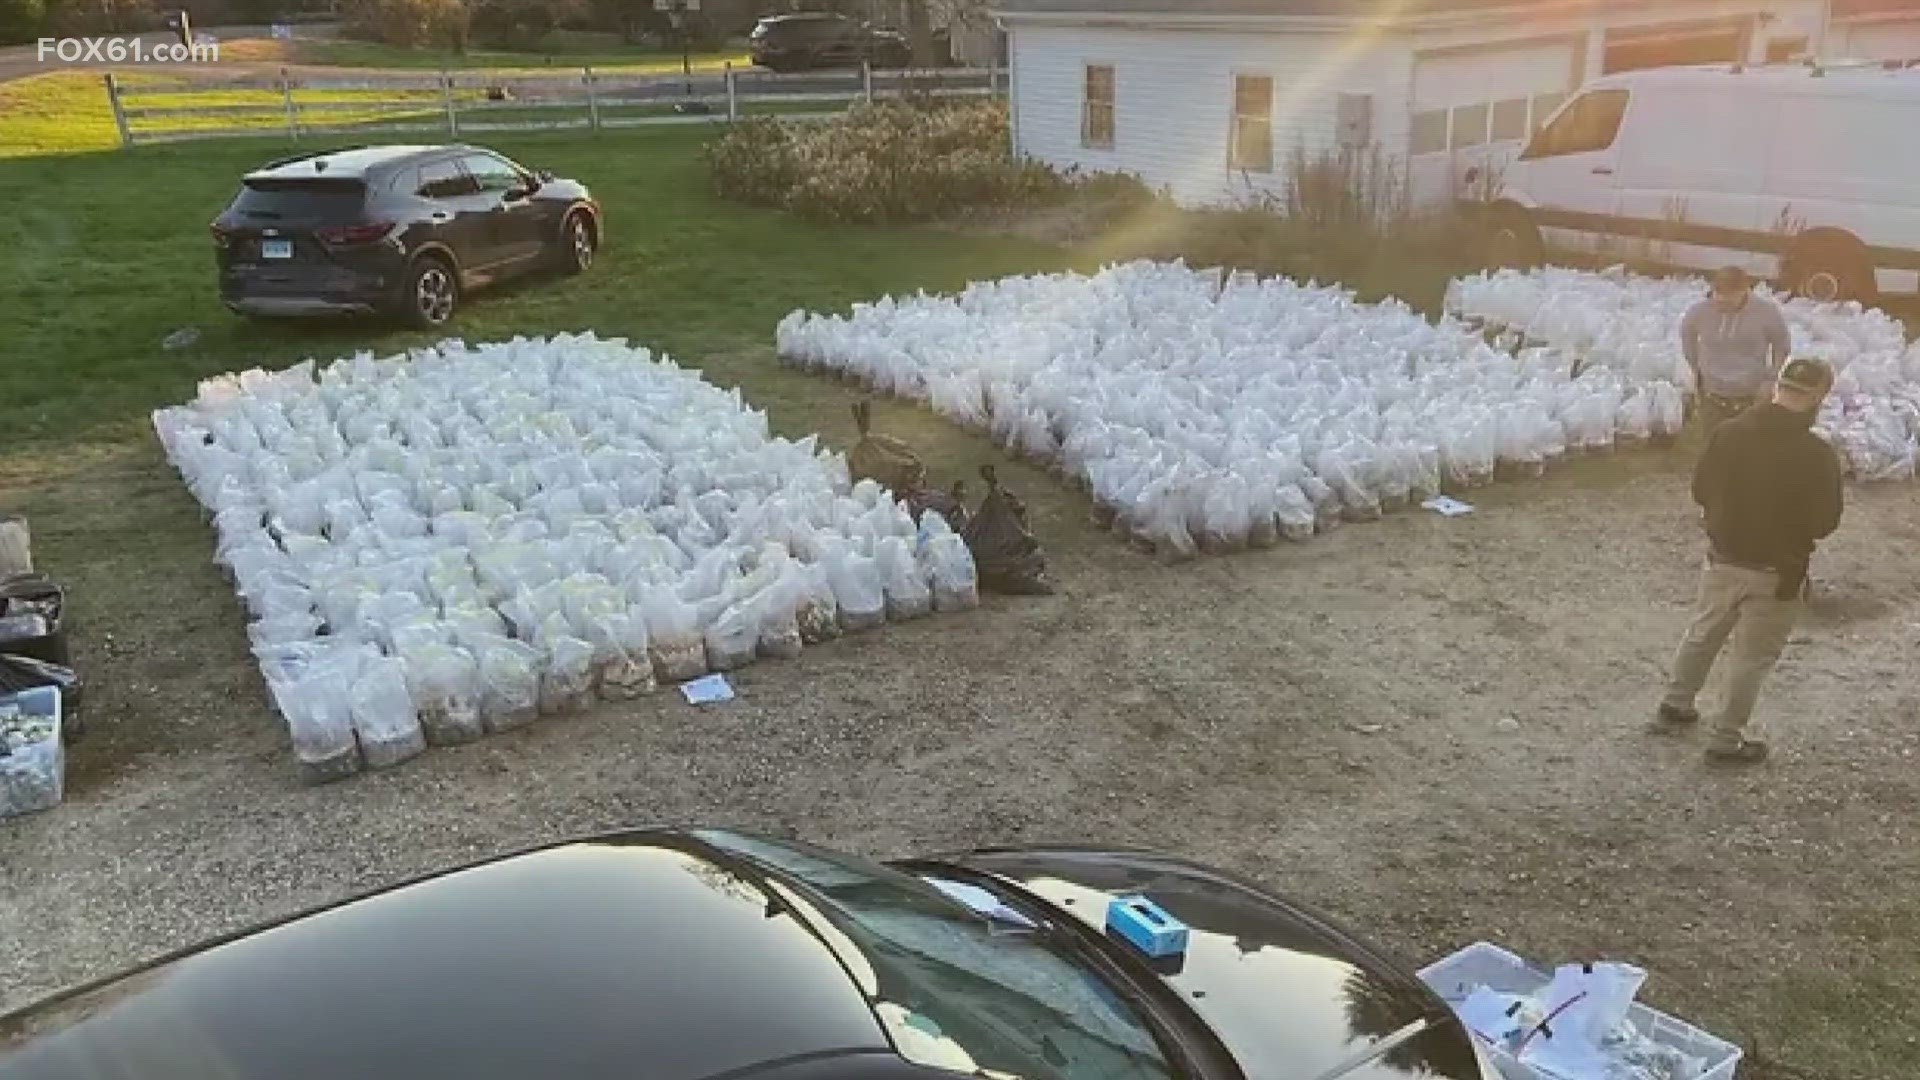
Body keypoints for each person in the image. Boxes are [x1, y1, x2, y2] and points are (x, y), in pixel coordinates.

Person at [1655, 358, 1843, 764]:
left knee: (1703, 632)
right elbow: (1826, 521)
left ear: (1777, 387)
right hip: (1778, 572)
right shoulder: (1817, 454)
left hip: (1722, 557)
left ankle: (1676, 701)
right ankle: (1726, 740)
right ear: (1819, 398)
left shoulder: (1730, 432)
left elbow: (1701, 489)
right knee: (1752, 657)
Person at [1679, 267, 1793, 430]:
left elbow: (1782, 345)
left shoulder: (1766, 312)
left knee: (1747, 442)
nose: (1722, 305)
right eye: (1718, 301)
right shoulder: (1699, 312)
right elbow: (1687, 336)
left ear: (1743, 291)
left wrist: (1771, 379)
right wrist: (1696, 369)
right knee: (1714, 440)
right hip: (1712, 391)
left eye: (1728, 302)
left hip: (1751, 393)